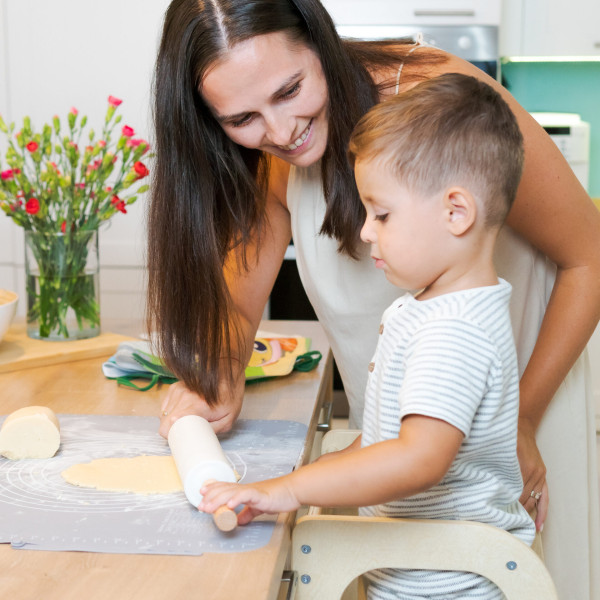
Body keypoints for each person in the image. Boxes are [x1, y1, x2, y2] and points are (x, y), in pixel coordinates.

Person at [148, 1, 600, 597]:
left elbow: (588, 256)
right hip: (399, 454)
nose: (280, 132)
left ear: (319, 42)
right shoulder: (275, 157)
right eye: (242, 118)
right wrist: (222, 372)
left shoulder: (438, 112)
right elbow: (237, 305)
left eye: (290, 90)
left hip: (516, 418)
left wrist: (521, 420)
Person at [200, 73, 537, 599]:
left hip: (449, 587)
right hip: (419, 574)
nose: (364, 231)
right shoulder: (431, 308)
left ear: (456, 212)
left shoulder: (454, 330)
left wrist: (289, 489)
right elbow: (383, 442)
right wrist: (316, 474)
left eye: (381, 213)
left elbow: (417, 458)